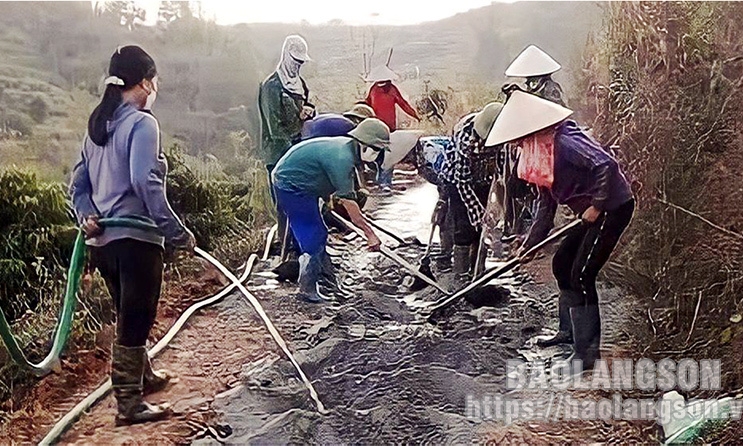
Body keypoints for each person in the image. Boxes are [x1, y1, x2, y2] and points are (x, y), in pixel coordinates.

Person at [69, 45, 196, 425]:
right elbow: (146, 181)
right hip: (137, 239)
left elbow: (78, 186)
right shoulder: (142, 124)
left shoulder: (98, 127)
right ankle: (128, 402)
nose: (155, 88)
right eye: (154, 81)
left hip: (103, 243)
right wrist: (176, 232)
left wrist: (86, 214)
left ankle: (144, 376)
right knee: (136, 317)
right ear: (144, 82)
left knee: (128, 309)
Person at [485, 90, 634, 370]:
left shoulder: (565, 142)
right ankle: (568, 333)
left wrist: (597, 205)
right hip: (590, 213)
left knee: (582, 274)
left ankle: (586, 356)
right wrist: (529, 245)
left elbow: (606, 165)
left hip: (612, 208)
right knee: (562, 264)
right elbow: (545, 206)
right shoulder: (538, 154)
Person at [271, 119, 388, 302]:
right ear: (365, 145)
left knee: (318, 234)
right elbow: (349, 204)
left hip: (306, 184)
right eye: (377, 149)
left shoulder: (350, 150)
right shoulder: (342, 158)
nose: (377, 154)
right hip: (291, 185)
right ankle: (306, 290)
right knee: (314, 235)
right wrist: (370, 235)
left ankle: (328, 282)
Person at [258, 35, 314, 257]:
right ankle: (286, 251)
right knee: (283, 203)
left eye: (301, 62)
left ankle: (301, 248)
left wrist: (309, 112)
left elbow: (307, 109)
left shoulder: (300, 85)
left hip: (298, 149)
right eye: (295, 60)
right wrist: (294, 146)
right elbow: (274, 128)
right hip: (278, 153)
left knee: (302, 199)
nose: (298, 65)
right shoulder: (271, 86)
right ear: (286, 56)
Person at [438, 102, 503, 279]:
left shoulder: (503, 136)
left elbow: (501, 170)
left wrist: (495, 208)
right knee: (464, 226)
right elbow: (463, 182)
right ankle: (460, 274)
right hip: (456, 181)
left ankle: (478, 272)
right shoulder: (465, 139)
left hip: (484, 179)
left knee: (483, 228)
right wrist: (477, 213)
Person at [364, 65, 420, 193]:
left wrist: (414, 115)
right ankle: (378, 179)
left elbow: (403, 104)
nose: (380, 85)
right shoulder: (373, 89)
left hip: (390, 129)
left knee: (389, 156)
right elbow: (366, 103)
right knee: (377, 155)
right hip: (376, 128)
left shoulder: (392, 90)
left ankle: (385, 182)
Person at [300, 103, 376, 141]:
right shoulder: (348, 126)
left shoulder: (338, 118)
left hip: (303, 134)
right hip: (307, 139)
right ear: (358, 119)